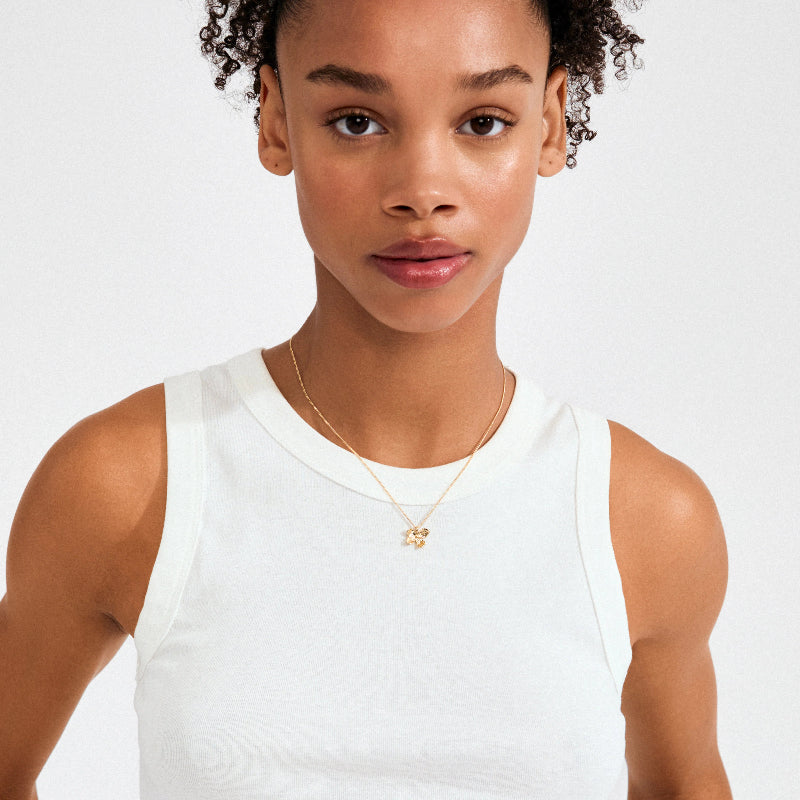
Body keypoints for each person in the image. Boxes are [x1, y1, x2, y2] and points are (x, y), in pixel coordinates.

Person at [0, 0, 733, 798]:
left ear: (550, 126)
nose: (422, 190)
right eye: (356, 121)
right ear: (277, 121)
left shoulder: (646, 521)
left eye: (483, 122)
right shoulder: (131, 484)